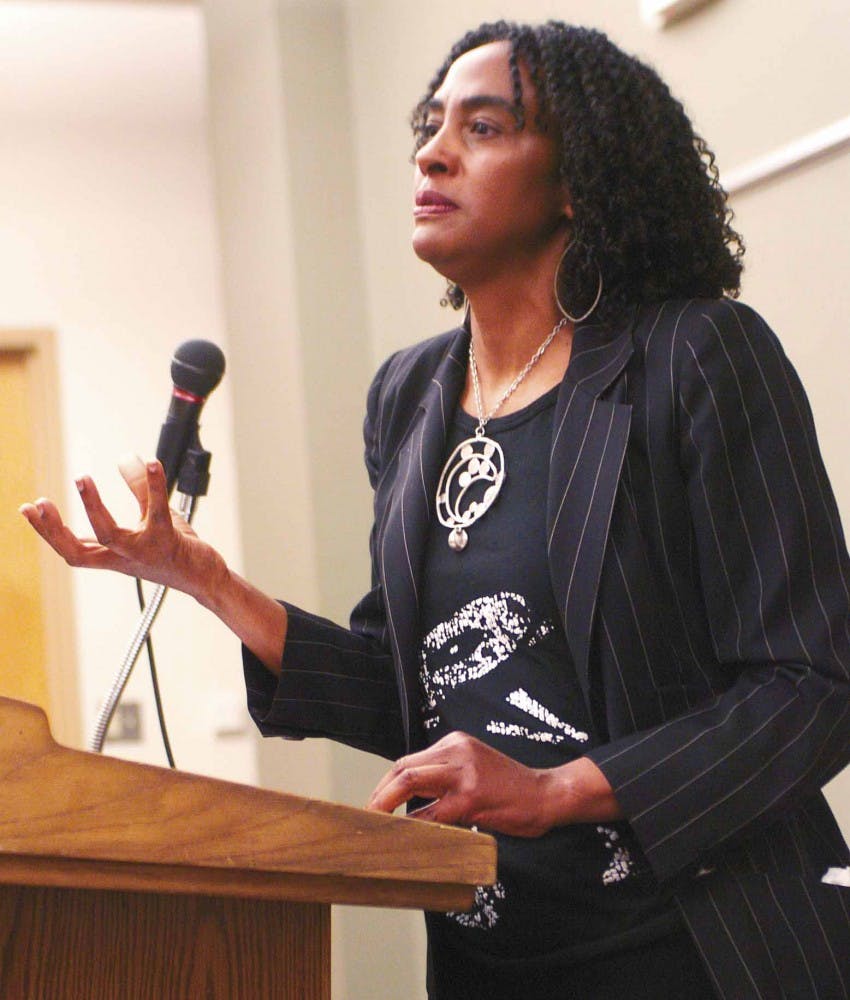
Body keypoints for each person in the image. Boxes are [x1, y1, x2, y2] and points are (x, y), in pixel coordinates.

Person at [20, 19, 850, 1000]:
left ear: (575, 177)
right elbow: (415, 690)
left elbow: (810, 687)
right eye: (429, 122)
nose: (432, 148)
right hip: (486, 958)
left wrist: (557, 790)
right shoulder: (410, 396)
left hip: (695, 950)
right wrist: (208, 581)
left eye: (485, 126)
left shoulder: (694, 357)